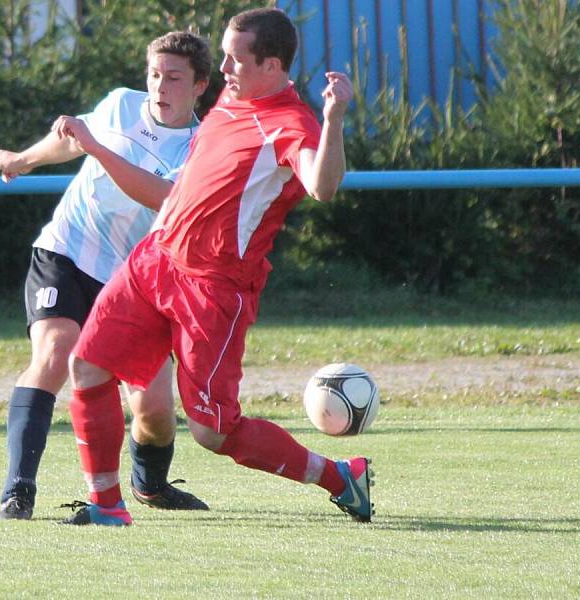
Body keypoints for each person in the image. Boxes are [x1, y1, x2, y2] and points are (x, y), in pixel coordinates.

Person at [61, 7, 370, 528]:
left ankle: (341, 476)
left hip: (215, 289)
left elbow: (322, 185)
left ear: (272, 66)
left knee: (212, 431)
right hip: (156, 260)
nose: (223, 68)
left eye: (235, 58)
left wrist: (336, 117)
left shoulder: (290, 123)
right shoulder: (231, 98)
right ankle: (107, 506)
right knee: (86, 367)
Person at [0, 31, 213, 520]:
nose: (159, 87)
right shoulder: (122, 104)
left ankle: (150, 484)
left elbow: (161, 197)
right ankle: (17, 489)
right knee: (55, 352)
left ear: (200, 87)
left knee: (156, 412)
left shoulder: (204, 147)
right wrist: (22, 160)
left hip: (134, 279)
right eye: (153, 74)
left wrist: (95, 149)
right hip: (66, 250)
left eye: (173, 78)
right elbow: (70, 141)